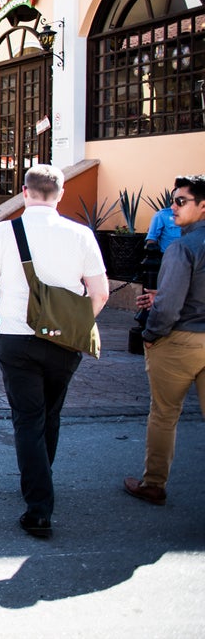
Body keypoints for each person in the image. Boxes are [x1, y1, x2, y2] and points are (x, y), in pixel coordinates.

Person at [0, 165, 109, 539]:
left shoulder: (4, 231)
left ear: (24, 191)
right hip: (65, 340)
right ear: (61, 194)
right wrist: (76, 323)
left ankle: (38, 505)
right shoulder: (81, 234)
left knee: (28, 418)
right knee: (50, 413)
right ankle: (41, 482)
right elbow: (99, 293)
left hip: (16, 336)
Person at [123, 174, 205, 506]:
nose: (173, 207)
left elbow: (169, 306)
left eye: (181, 201)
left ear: (202, 206)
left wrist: (151, 333)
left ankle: (153, 483)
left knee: (164, 413)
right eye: (173, 200)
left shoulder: (182, 247)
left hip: (180, 339)